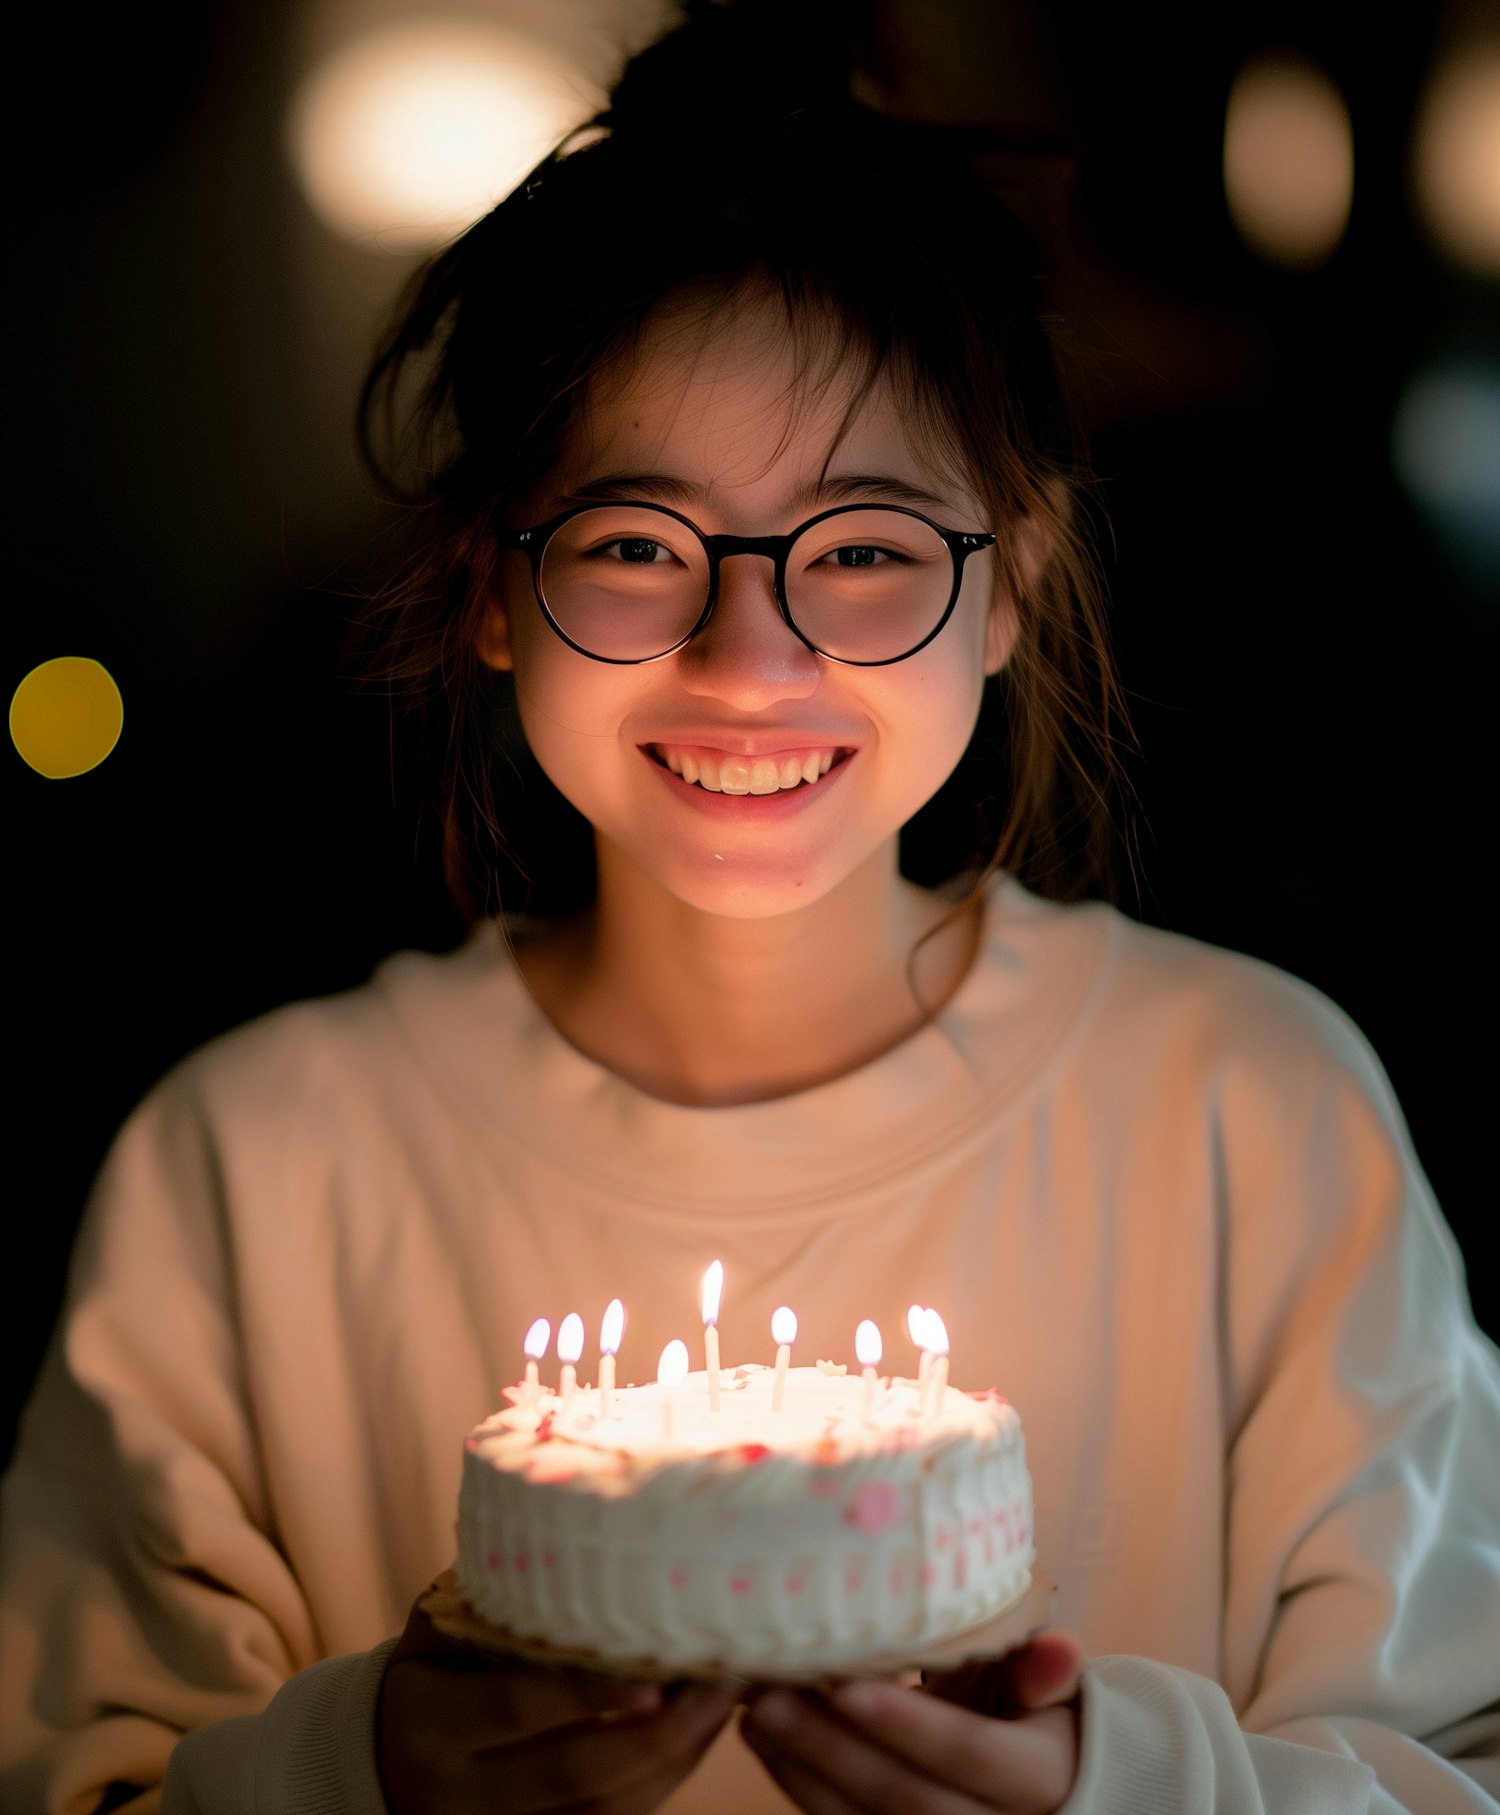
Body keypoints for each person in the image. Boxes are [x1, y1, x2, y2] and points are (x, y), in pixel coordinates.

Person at [3, 4, 1497, 1812]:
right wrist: (368, 1772)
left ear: (1011, 585)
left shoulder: (1254, 1118)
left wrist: (1115, 1788)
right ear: (493, 585)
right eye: (638, 545)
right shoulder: (250, 1173)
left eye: (864, 549)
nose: (750, 658)